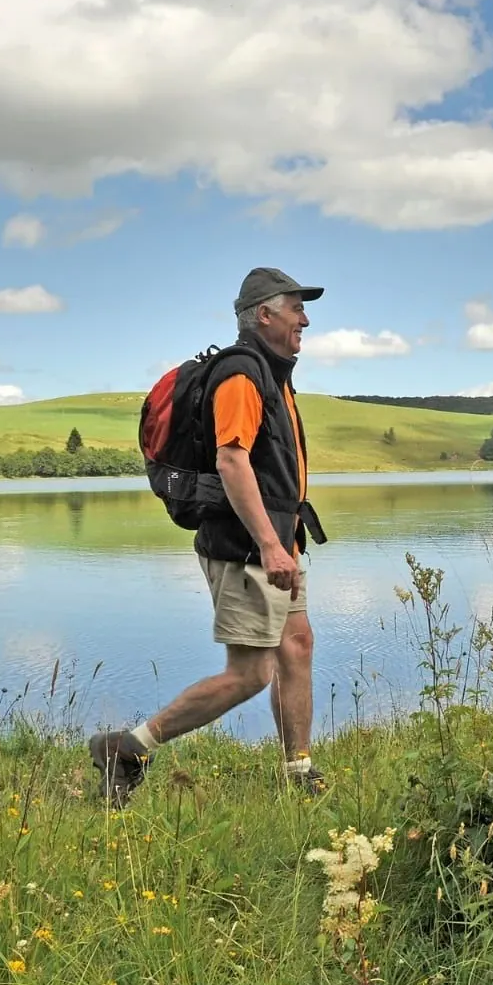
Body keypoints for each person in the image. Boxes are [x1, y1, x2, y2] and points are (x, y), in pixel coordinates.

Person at [89, 267, 330, 807]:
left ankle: (299, 769)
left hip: (276, 543)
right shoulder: (242, 374)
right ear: (264, 314)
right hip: (247, 546)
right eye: (296, 308)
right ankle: (127, 748)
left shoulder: (272, 373)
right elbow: (231, 460)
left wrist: (283, 542)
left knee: (297, 644)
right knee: (250, 674)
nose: (305, 319)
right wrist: (269, 544)